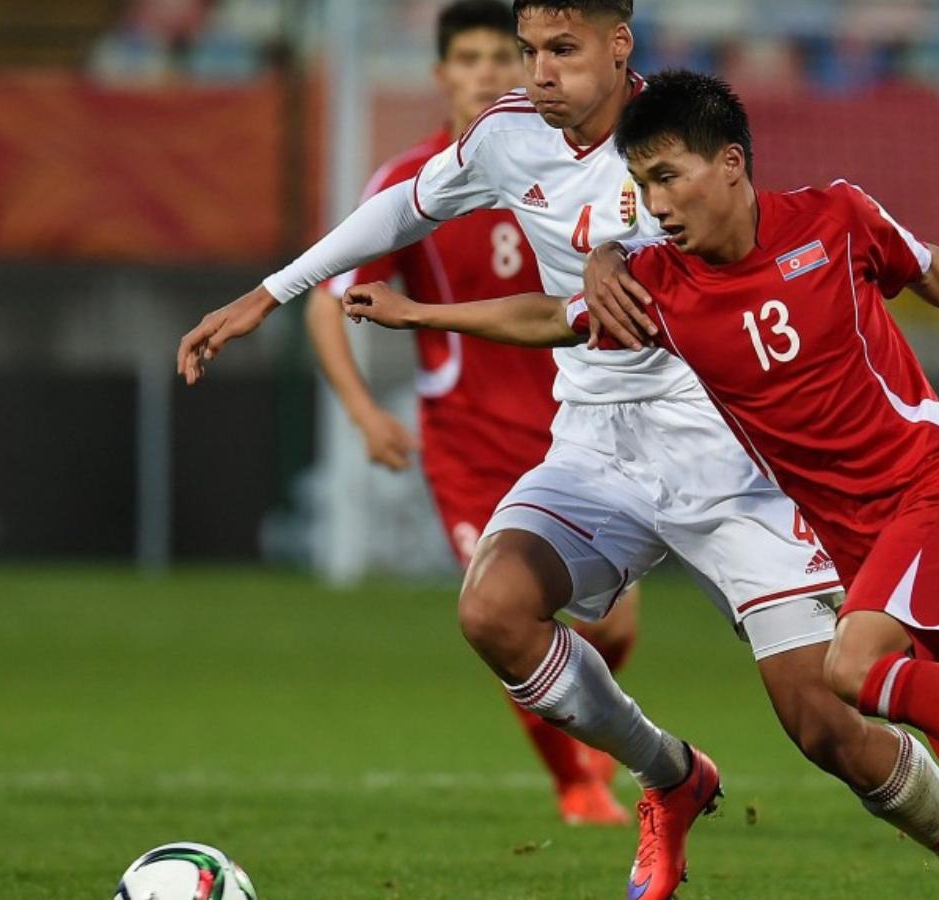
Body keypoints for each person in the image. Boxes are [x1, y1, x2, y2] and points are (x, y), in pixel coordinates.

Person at [340, 69, 939, 900]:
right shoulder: (671, 295)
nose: (657, 202)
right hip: (871, 558)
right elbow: (553, 318)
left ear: (730, 163)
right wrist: (425, 315)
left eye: (670, 176)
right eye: (642, 183)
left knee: (856, 672)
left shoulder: (835, 219)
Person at [175, 4, 939, 898]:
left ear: (620, 46)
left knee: (824, 726)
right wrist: (269, 294)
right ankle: (669, 773)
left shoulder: (679, 137)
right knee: (494, 610)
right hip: (599, 447)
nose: (539, 73)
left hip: (733, 455)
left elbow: (730, 235)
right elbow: (405, 205)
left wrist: (615, 246)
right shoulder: (508, 135)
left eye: (562, 52)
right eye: (529, 52)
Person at [303, 0, 631, 827]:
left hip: (576, 429)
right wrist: (360, 411)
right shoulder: (414, 181)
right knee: (504, 612)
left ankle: (585, 721)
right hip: (472, 446)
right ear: (442, 74)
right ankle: (576, 786)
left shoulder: (566, 162)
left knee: (616, 628)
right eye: (474, 58)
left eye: (503, 57)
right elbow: (328, 300)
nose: (491, 72)